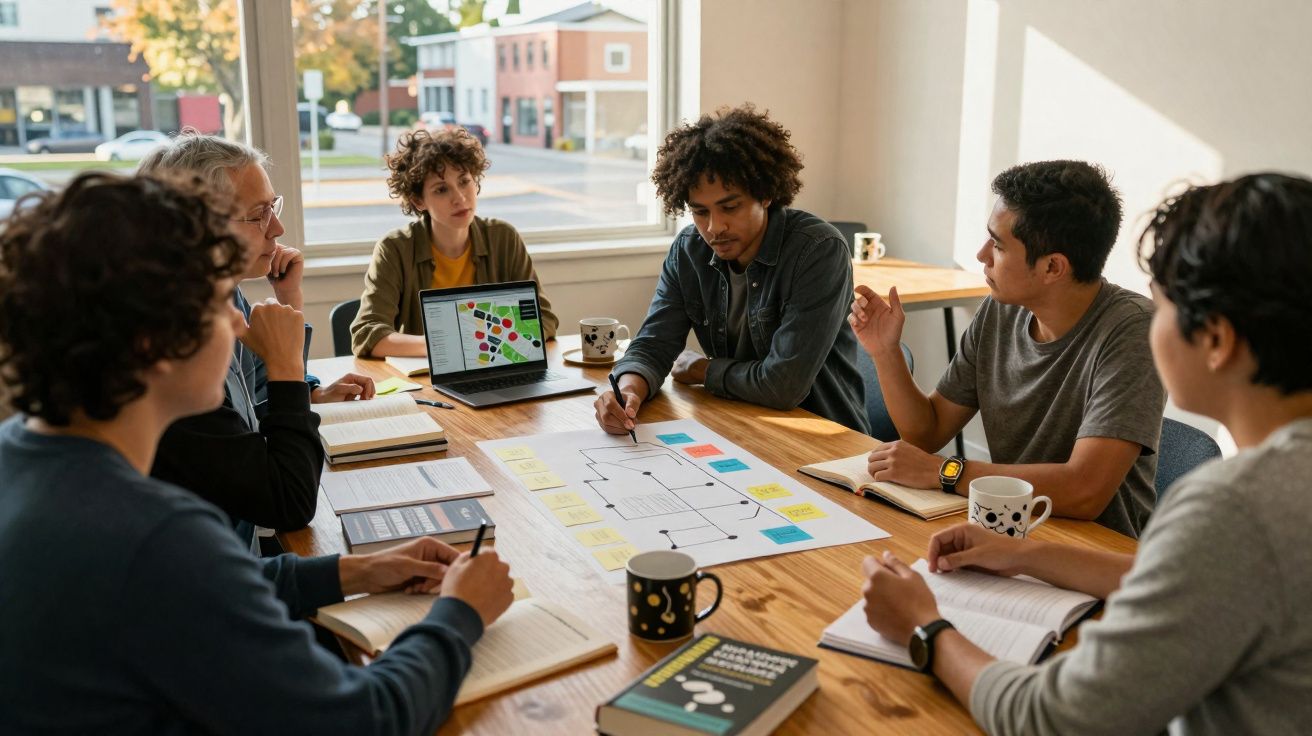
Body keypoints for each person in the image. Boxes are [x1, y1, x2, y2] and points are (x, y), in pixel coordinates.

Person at [0, 172, 515, 733]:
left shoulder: (22, 454)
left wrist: (360, 569)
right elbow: (365, 721)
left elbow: (205, 590)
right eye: (220, 300)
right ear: (153, 343)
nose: (239, 322)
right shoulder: (156, 535)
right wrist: (459, 614)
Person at [860, 173, 1312, 735]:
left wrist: (924, 628)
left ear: (1216, 340)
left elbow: (1053, 717)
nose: (1154, 322)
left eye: (1163, 304)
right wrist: (1020, 555)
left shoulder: (1238, 509)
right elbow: (1187, 574)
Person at [850, 161, 1165, 537]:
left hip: (1096, 552)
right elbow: (927, 433)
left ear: (1052, 267)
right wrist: (886, 352)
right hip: (1007, 533)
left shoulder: (1133, 331)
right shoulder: (1001, 310)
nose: (982, 254)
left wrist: (944, 472)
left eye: (998, 245)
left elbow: (1085, 491)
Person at [139, 131, 374, 552]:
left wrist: (306, 387)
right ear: (201, 229)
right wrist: (291, 378)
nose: (278, 228)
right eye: (259, 214)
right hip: (219, 566)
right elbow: (288, 502)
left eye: (273, 207)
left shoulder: (226, 296)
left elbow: (259, 398)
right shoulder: (176, 353)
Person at [595, 104, 869, 434]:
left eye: (730, 207)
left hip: (828, 441)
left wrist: (703, 370)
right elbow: (653, 345)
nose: (714, 227)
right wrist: (627, 391)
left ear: (765, 194)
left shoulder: (818, 251)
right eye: (700, 212)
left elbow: (783, 386)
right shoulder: (688, 250)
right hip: (740, 425)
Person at [351, 127, 558, 358]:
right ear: (418, 200)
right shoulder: (395, 249)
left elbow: (544, 320)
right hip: (428, 382)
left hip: (496, 369)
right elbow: (366, 333)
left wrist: (479, 343)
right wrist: (447, 344)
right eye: (441, 189)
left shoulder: (504, 238)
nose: (459, 198)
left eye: (464, 181)